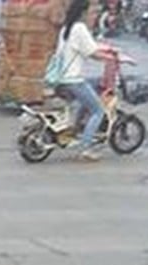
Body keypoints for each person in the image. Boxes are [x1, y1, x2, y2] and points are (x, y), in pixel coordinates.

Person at [54, 0, 117, 162]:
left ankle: (77, 126)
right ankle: (86, 148)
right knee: (98, 111)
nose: (94, 15)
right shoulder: (80, 28)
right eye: (92, 11)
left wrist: (106, 50)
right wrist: (110, 57)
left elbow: (90, 46)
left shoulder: (66, 29)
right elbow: (92, 52)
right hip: (73, 80)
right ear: (83, 12)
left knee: (95, 84)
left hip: (62, 78)